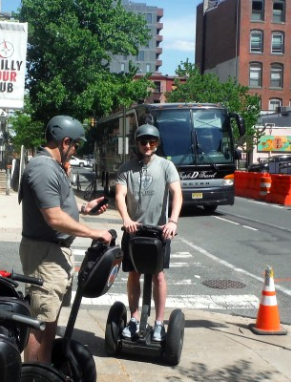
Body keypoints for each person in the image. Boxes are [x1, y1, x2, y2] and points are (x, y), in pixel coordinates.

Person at [18, 115, 113, 363]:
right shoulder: (42, 168)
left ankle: (45, 371)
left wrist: (84, 209)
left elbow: (60, 207)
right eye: (75, 146)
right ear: (65, 141)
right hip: (44, 256)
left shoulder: (54, 168)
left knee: (49, 321)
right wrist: (95, 233)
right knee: (39, 324)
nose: (75, 151)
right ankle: (33, 377)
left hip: (54, 254)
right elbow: (54, 218)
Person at [115, 123, 183, 342]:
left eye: (152, 141)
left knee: (158, 275)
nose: (147, 145)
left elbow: (177, 194)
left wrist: (172, 221)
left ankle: (159, 323)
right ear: (137, 143)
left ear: (157, 143)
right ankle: (134, 319)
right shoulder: (126, 168)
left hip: (159, 231)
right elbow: (120, 195)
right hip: (134, 230)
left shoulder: (166, 166)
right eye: (143, 141)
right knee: (134, 274)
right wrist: (126, 219)